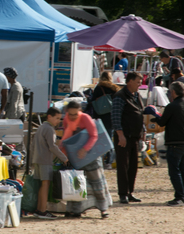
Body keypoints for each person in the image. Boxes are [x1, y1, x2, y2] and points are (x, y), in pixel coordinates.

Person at [60, 101, 111, 218]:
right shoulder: (66, 119)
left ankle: (103, 209)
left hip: (91, 155)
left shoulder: (86, 118)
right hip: (76, 158)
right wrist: (63, 154)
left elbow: (94, 135)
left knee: (97, 183)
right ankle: (76, 210)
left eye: (75, 114)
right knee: (77, 185)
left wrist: (85, 149)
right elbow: (67, 139)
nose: (72, 117)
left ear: (80, 111)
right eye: (70, 114)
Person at [153, 81, 184, 206]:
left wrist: (154, 115)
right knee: (183, 170)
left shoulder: (171, 106)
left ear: (173, 92)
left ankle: (179, 196)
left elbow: (162, 122)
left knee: (174, 170)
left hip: (174, 142)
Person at [111, 71, 144, 204]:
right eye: (138, 82)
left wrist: (143, 131)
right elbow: (115, 117)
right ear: (129, 81)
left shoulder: (137, 96)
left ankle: (130, 192)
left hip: (134, 136)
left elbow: (140, 114)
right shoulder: (120, 96)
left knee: (133, 166)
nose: (140, 84)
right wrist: (120, 135)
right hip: (124, 137)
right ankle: (123, 194)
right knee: (123, 166)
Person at [32, 107, 69, 220]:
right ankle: (42, 211)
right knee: (45, 184)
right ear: (49, 116)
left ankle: (39, 209)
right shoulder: (49, 128)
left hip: (37, 159)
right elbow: (52, 146)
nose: (58, 120)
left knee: (42, 185)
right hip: (45, 160)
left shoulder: (41, 127)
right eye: (57, 118)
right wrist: (64, 158)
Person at [91, 71, 121, 169]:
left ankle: (99, 159)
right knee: (109, 139)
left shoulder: (98, 88)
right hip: (111, 117)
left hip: (99, 117)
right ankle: (109, 161)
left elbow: (92, 102)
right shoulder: (114, 88)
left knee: (98, 139)